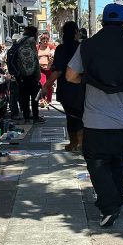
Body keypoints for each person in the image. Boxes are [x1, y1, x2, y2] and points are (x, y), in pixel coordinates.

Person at [65, 4, 123, 227]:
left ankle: (109, 206)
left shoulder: (88, 46)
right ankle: (116, 200)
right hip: (122, 120)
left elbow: (70, 75)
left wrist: (88, 80)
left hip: (94, 121)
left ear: (103, 22)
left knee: (97, 163)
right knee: (117, 163)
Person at [47, 21, 83, 151]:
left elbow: (58, 71)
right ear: (75, 32)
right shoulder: (81, 47)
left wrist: (46, 85)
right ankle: (80, 142)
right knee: (80, 116)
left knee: (70, 116)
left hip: (65, 89)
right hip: (80, 87)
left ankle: (74, 142)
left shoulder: (61, 49)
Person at [13, 26, 43, 123]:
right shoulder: (32, 41)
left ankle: (26, 115)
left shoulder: (19, 42)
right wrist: (38, 74)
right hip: (33, 74)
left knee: (24, 96)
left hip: (22, 74)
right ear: (34, 33)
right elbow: (35, 59)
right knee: (35, 96)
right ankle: (35, 116)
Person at [37, 33, 55, 106]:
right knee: (42, 83)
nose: (45, 42)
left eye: (46, 40)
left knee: (49, 84)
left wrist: (52, 54)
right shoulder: (37, 47)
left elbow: (54, 52)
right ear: (40, 41)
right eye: (43, 40)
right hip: (40, 68)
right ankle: (42, 99)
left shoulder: (50, 47)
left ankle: (48, 100)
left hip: (49, 68)